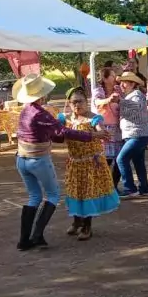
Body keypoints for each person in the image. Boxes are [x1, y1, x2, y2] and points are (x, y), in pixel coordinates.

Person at [13, 74, 100, 251]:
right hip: (37, 160)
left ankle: (24, 240)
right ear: (42, 94)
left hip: (21, 158)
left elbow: (55, 134)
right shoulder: (41, 113)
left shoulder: (25, 110)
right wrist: (92, 135)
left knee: (34, 196)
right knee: (52, 195)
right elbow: (64, 132)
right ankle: (36, 236)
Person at [58, 87, 117, 240]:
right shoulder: (66, 119)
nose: (77, 105)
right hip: (75, 163)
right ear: (69, 104)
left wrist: (102, 133)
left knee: (88, 193)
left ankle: (87, 227)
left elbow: (100, 129)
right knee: (75, 192)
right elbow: (56, 132)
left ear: (87, 101)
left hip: (91, 164)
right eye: (74, 102)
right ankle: (77, 221)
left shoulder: (94, 118)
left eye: (80, 101)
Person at [116, 72, 148, 198]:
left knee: (121, 159)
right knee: (138, 161)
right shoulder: (131, 96)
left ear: (132, 84)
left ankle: (130, 188)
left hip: (138, 134)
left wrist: (121, 101)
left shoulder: (136, 94)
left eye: (125, 82)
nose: (122, 85)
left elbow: (137, 106)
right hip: (137, 134)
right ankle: (144, 188)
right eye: (121, 82)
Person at [91, 68, 124, 193]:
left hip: (118, 128)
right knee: (106, 159)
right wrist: (108, 99)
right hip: (104, 128)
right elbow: (97, 102)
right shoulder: (98, 91)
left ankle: (113, 186)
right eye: (112, 76)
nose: (115, 78)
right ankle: (103, 186)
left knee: (120, 159)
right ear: (104, 78)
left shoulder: (118, 89)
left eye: (115, 75)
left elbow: (126, 101)